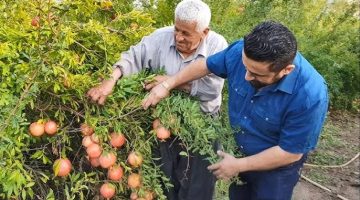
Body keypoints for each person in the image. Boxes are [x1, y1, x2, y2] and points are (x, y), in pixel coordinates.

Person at [142, 21, 329, 200]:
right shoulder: (240, 51)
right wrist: (169, 83)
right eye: (245, 67)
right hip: (238, 153)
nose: (246, 76)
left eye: (256, 74)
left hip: (276, 170)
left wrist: (239, 165)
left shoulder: (310, 95)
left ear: (286, 70)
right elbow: (205, 65)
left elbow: (290, 152)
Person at [87, 0, 228, 199]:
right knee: (165, 181)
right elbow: (133, 56)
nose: (178, 37)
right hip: (162, 124)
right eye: (177, 29)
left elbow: (211, 90)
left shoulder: (218, 46)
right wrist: (112, 78)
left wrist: (169, 83)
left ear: (204, 32)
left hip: (202, 125)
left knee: (198, 187)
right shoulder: (160, 38)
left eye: (186, 33)